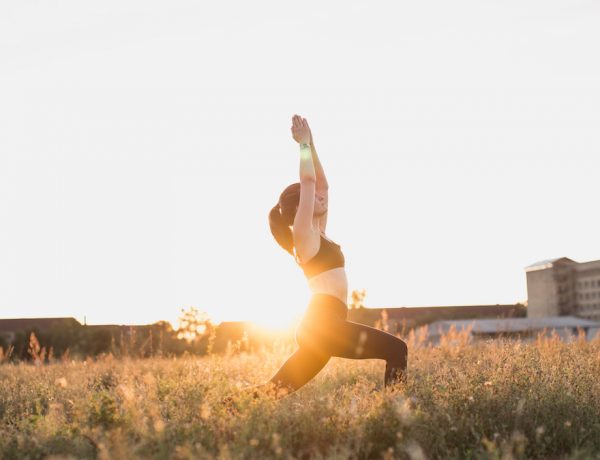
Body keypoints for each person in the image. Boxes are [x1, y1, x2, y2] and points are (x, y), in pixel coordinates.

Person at [258, 114, 408, 398]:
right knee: (397, 349)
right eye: (311, 197)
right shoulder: (303, 235)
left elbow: (322, 184)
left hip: (326, 326)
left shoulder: (319, 233)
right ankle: (393, 412)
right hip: (323, 323)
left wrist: (311, 143)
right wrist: (301, 146)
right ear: (300, 206)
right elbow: (310, 180)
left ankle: (223, 408)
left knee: (274, 391)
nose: (320, 197)